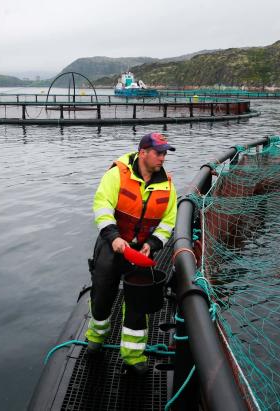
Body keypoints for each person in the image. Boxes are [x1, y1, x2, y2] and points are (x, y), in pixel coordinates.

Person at [85, 132, 177, 375]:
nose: (162, 157)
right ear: (143, 152)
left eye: (165, 153)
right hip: (111, 245)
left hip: (139, 251)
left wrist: (154, 244)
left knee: (137, 304)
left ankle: (133, 356)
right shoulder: (116, 174)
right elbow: (101, 205)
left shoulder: (167, 185)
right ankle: (96, 338)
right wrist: (114, 237)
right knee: (102, 295)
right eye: (158, 152)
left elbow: (168, 221)